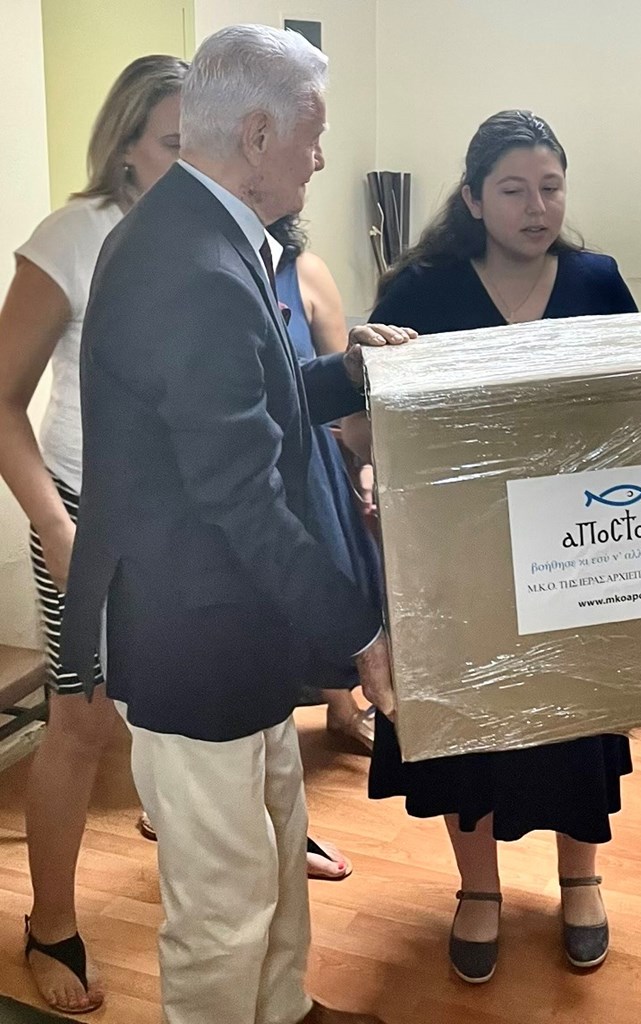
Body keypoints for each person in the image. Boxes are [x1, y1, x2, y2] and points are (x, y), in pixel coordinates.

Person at [61, 25, 409, 1024]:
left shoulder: (202, 232)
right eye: (312, 135)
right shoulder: (192, 266)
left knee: (276, 842)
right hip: (193, 629)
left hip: (235, 618)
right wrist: (361, 628)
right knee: (222, 902)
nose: (321, 157)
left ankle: (285, 1009)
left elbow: (242, 397)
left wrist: (350, 370)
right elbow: (242, 497)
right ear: (257, 135)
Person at [367, 109, 637, 984]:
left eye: (550, 188)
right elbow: (369, 415)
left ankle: (580, 879)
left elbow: (639, 410)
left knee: (576, 716)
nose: (536, 207)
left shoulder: (596, 281)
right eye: (514, 190)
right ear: (475, 199)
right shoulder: (420, 290)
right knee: (469, 725)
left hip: (576, 546)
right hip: (458, 554)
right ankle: (476, 889)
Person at [0, 55, 186, 1015]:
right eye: (173, 142)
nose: (193, 161)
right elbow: (0, 401)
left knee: (197, 703)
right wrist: (54, 524)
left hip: (193, 519)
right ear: (125, 149)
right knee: (80, 723)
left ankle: (198, 836)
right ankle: (51, 923)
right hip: (89, 515)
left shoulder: (224, 232)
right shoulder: (73, 238)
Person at [268, 214, 382, 760]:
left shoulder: (306, 271)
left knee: (331, 573)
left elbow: (347, 393)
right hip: (249, 465)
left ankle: (344, 707)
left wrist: (363, 471)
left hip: (310, 464)